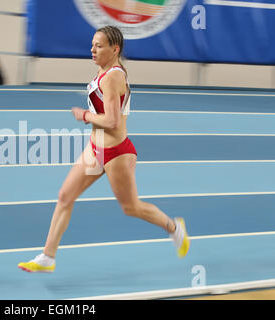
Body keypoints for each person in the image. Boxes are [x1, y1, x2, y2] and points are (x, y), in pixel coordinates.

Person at [18, 26, 190, 273]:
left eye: (98, 46)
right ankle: (48, 257)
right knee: (65, 196)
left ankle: (175, 228)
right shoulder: (105, 72)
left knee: (131, 207)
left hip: (116, 153)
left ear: (115, 49)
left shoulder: (113, 77)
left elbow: (112, 121)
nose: (92, 50)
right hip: (95, 149)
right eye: (92, 45)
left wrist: (85, 115)